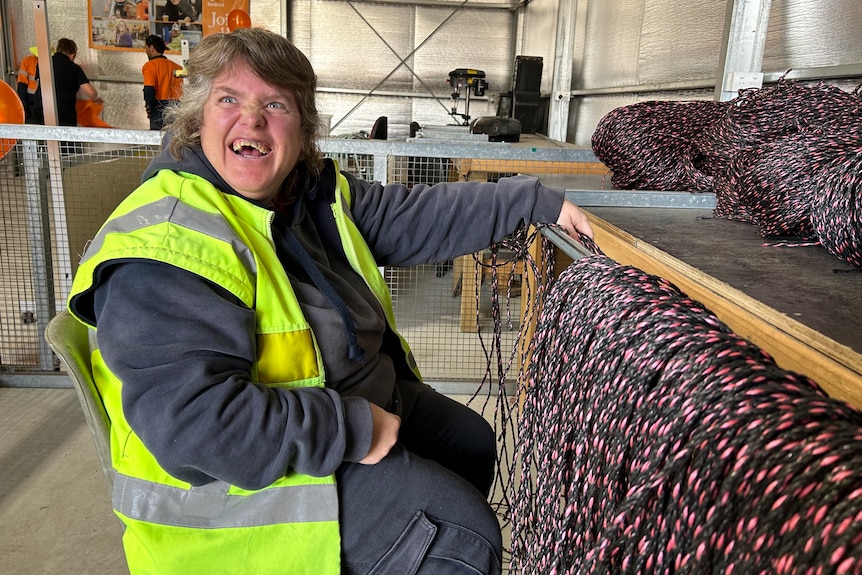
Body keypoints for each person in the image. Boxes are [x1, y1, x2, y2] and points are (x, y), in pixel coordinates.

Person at [66, 28, 594, 575]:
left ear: (303, 129)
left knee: (469, 442)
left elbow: (412, 215)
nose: (251, 120)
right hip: (231, 492)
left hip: (334, 404)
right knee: (462, 536)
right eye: (229, 100)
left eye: (275, 104)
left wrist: (533, 200)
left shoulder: (304, 195)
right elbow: (195, 427)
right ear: (198, 119)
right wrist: (351, 428)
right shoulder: (169, 243)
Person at [52, 38, 102, 126]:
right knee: (67, 138)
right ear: (72, 55)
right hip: (65, 113)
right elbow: (91, 92)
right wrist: (96, 99)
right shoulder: (74, 68)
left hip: (41, 112)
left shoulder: (43, 63)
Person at [142, 35, 183, 130]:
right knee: (174, 139)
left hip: (159, 108)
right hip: (177, 108)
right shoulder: (177, 67)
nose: (146, 51)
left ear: (151, 47)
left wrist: (150, 107)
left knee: (158, 140)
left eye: (146, 48)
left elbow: (149, 88)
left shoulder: (150, 66)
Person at [16, 47, 43, 124]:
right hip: (34, 100)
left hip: (31, 101)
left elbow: (22, 84)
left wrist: (23, 105)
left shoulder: (27, 61)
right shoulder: (28, 61)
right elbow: (22, 85)